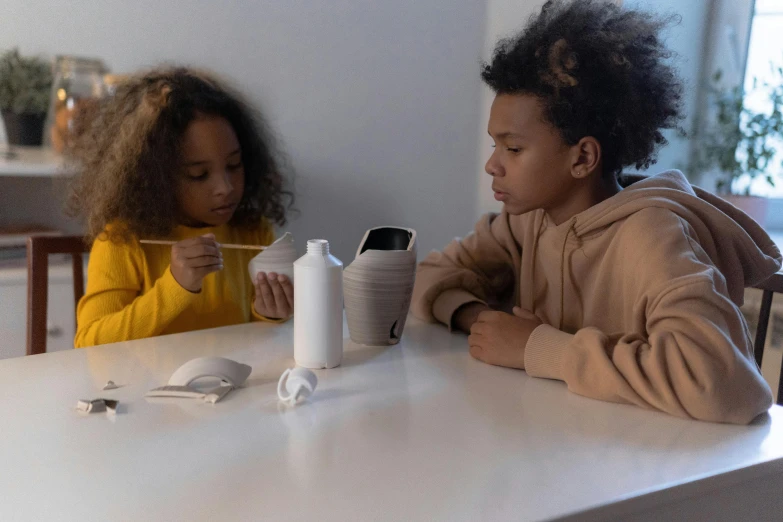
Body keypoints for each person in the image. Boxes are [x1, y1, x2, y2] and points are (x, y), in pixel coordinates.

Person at [412, 0, 781, 424]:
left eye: (513, 148)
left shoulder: (652, 236)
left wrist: (540, 347)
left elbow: (723, 382)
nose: (492, 165)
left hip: (649, 470)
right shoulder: (529, 219)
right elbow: (430, 275)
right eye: (496, 145)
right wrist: (479, 319)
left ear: (583, 157)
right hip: (559, 446)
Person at [69, 67, 294, 347]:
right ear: (155, 179)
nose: (225, 187)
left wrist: (270, 314)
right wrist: (175, 286)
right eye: (199, 175)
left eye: (234, 165)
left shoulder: (252, 229)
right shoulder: (123, 240)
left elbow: (255, 341)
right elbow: (89, 343)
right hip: (146, 388)